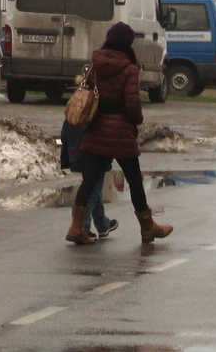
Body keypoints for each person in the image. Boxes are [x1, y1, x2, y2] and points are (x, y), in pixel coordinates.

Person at [66, 22, 173, 244]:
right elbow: (132, 104)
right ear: (128, 43)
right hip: (121, 131)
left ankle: (76, 227)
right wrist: (137, 120)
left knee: (90, 180)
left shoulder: (96, 64)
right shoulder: (129, 68)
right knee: (134, 180)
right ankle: (147, 227)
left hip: (97, 129)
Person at [59, 114, 117, 239]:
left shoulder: (78, 103)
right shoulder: (95, 105)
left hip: (76, 148)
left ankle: (102, 224)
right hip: (92, 150)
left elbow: (65, 131)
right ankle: (82, 226)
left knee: (92, 186)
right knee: (93, 188)